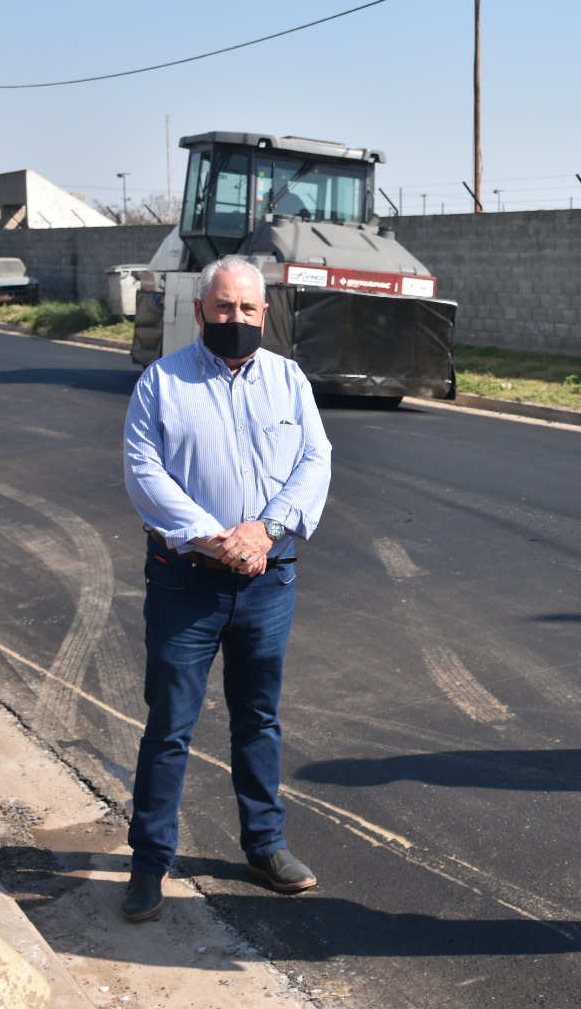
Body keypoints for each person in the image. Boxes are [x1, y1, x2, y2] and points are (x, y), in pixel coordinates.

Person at [121, 255, 333, 921]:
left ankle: (265, 845)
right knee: (170, 728)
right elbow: (144, 472)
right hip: (187, 582)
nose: (235, 319)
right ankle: (150, 863)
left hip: (268, 582)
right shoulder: (163, 382)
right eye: (223, 308)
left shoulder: (289, 381)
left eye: (247, 309)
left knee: (258, 719)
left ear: (264, 314)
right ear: (200, 311)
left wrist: (266, 531)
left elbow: (315, 460)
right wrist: (216, 537)